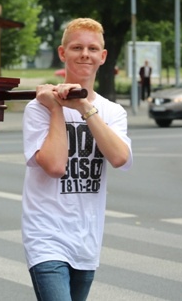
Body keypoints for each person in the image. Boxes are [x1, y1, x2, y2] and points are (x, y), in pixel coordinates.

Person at [21, 18, 133, 301]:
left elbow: (119, 157)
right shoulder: (40, 108)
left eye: (93, 48)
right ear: (62, 53)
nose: (85, 54)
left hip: (86, 240)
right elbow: (56, 166)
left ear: (103, 56)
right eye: (77, 47)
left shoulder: (113, 112)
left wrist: (84, 106)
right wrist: (56, 110)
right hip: (46, 238)